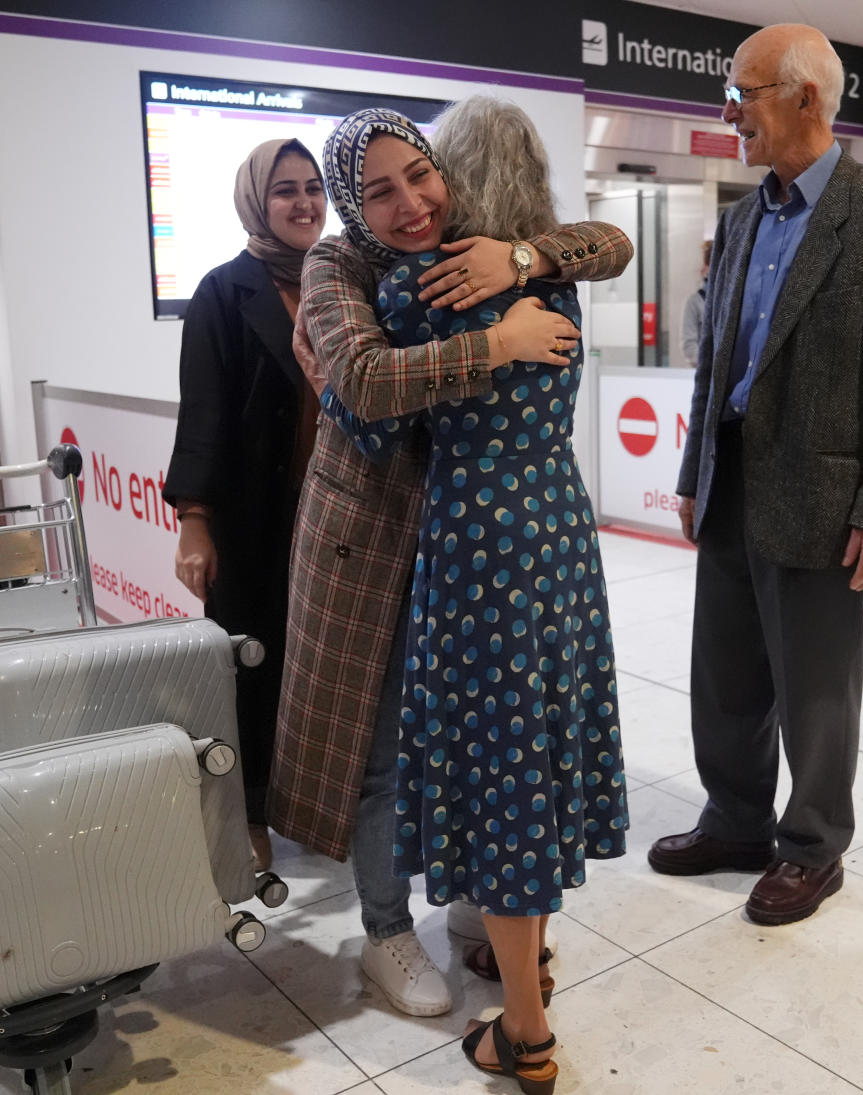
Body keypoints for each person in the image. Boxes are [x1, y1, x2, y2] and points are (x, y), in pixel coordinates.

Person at [267, 104, 633, 1032]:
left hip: (462, 532)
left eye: (421, 176)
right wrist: (496, 344)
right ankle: (388, 928)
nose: (410, 203)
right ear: (353, 203)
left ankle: (484, 911)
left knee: (481, 735)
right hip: (374, 532)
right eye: (380, 190)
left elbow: (613, 241)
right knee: (385, 746)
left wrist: (523, 260)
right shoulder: (340, 264)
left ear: (451, 172)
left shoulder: (498, 255)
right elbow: (365, 388)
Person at [647, 23, 863, 926]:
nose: (731, 112)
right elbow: (714, 365)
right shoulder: (743, 218)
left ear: (807, 98)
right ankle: (736, 819)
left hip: (824, 494)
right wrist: (695, 468)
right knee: (724, 669)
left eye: (745, 93)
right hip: (734, 475)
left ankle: (813, 845)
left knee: (816, 680)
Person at [164, 138, 326, 872]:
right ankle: (251, 813)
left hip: (334, 519)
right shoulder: (222, 292)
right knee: (252, 672)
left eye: (314, 187)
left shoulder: (339, 283)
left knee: (321, 670)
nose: (304, 203)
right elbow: (203, 412)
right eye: (285, 189)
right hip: (253, 521)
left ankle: (319, 802)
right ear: (256, 201)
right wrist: (195, 521)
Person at [679, 238, 712, 367]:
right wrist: (713, 365)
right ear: (706, 267)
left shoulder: (733, 299)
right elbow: (688, 346)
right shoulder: (694, 301)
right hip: (707, 374)